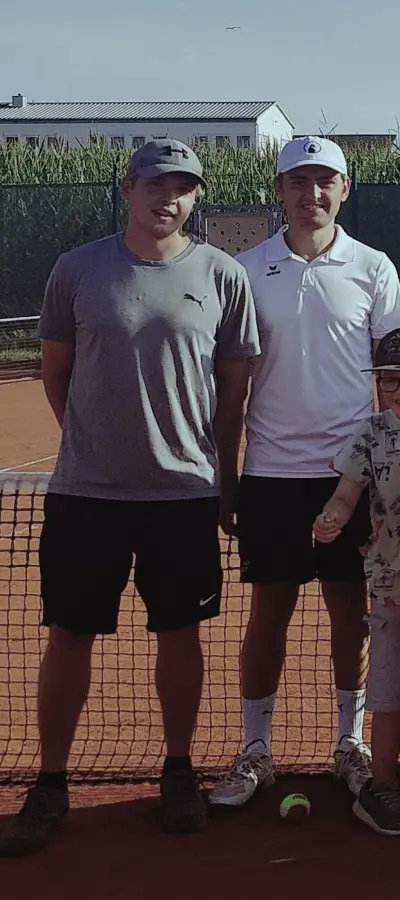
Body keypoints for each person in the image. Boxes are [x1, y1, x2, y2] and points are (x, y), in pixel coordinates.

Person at [0, 140, 258, 857]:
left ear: (196, 196)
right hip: (87, 496)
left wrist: (224, 479)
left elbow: (233, 391)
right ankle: (50, 783)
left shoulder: (221, 275)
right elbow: (57, 373)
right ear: (129, 187)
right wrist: (93, 444)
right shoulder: (77, 270)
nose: (168, 196)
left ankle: (180, 771)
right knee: (68, 635)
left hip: (184, 495)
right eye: (156, 182)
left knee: (181, 635)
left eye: (183, 186)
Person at [212, 136, 400, 808]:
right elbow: (232, 388)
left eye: (326, 182)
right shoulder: (242, 270)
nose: (312, 194)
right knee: (269, 616)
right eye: (299, 182)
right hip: (270, 476)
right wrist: (227, 477)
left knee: (351, 614)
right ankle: (255, 750)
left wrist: (389, 479)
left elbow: (390, 382)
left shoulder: (375, 268)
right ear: (280, 190)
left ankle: (348, 745)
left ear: (344, 191)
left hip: (351, 477)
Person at [313, 326, 400, 835]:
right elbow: (347, 494)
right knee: (392, 686)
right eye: (390, 381)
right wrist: (330, 515)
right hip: (392, 580)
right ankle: (381, 786)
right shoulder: (370, 432)